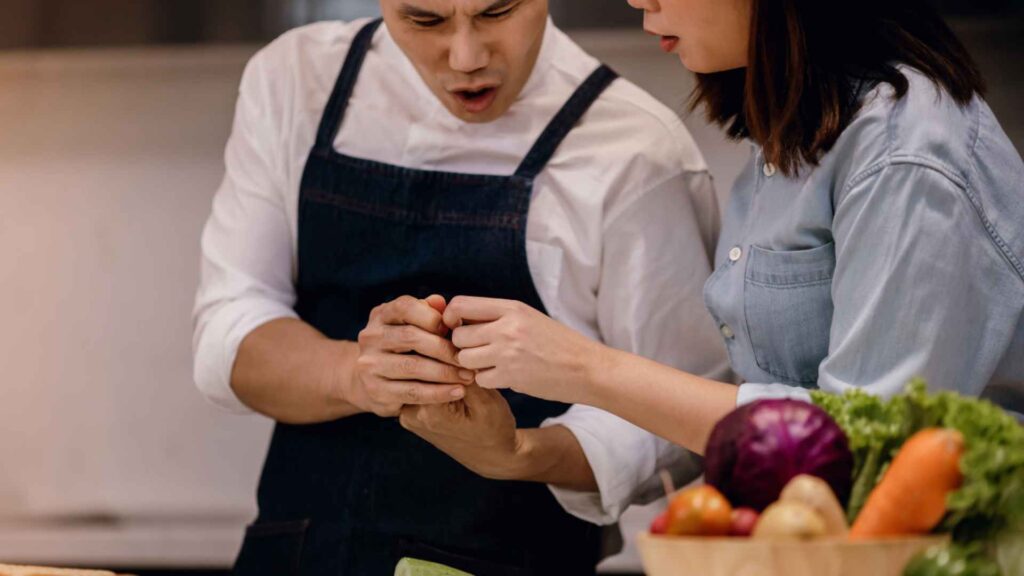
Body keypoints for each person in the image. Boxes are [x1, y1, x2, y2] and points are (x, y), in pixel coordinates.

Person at [399, 0, 1024, 527]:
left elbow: (866, 448)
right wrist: (516, 450)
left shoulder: (905, 156)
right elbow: (740, 406)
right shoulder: (800, 131)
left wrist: (581, 368)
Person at [191, 0, 728, 572]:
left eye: (497, 13)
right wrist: (357, 375)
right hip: (299, 553)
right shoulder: (294, 82)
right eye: (425, 21)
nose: (466, 57)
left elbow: (678, 419)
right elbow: (229, 326)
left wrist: (518, 454)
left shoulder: (634, 150)